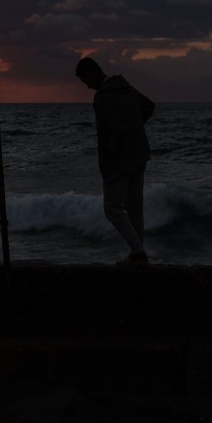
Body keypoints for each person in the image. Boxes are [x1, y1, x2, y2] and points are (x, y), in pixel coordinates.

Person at [75, 56, 155, 266]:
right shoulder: (124, 87)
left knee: (112, 208)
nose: (86, 86)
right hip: (139, 154)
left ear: (92, 73)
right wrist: (135, 127)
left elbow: (118, 128)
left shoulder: (103, 97)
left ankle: (137, 252)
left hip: (120, 160)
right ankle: (137, 253)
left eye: (85, 80)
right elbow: (148, 106)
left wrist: (111, 150)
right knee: (134, 207)